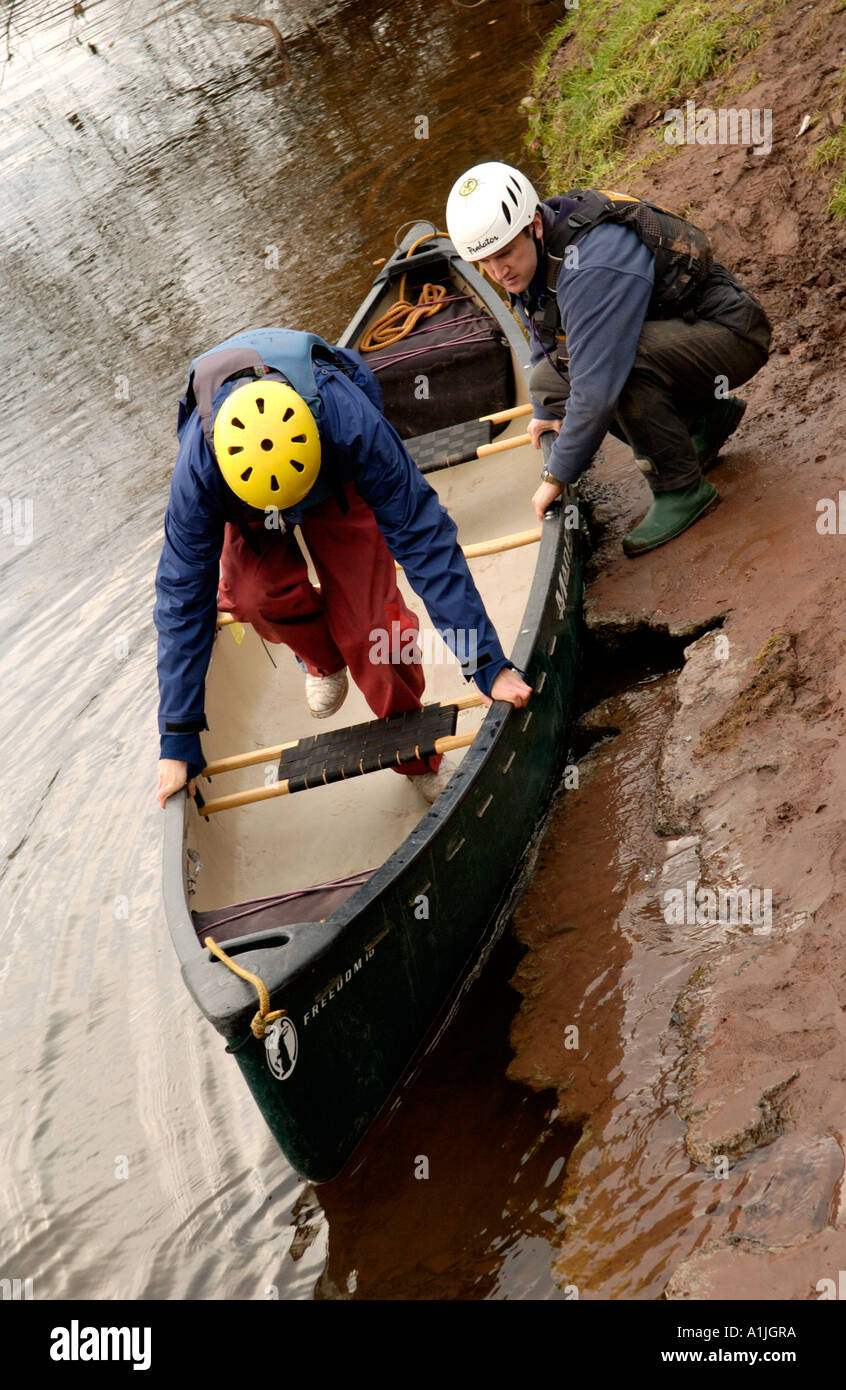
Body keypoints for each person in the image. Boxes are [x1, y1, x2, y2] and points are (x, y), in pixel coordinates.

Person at [154, 327, 531, 809]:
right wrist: (178, 740)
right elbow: (181, 601)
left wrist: (486, 663)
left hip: (333, 474)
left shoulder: (350, 422)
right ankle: (323, 660)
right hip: (249, 498)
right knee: (251, 595)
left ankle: (418, 763)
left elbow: (425, 542)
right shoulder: (199, 473)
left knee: (374, 634)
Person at [445, 162, 771, 555]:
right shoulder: (535, 249)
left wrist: (556, 475)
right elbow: (539, 322)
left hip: (730, 332)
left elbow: (596, 390)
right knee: (549, 382)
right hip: (677, 331)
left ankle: (681, 490)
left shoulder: (591, 260)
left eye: (505, 254)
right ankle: (702, 421)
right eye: (485, 263)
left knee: (618, 366)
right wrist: (543, 409)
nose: (498, 271)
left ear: (532, 223)